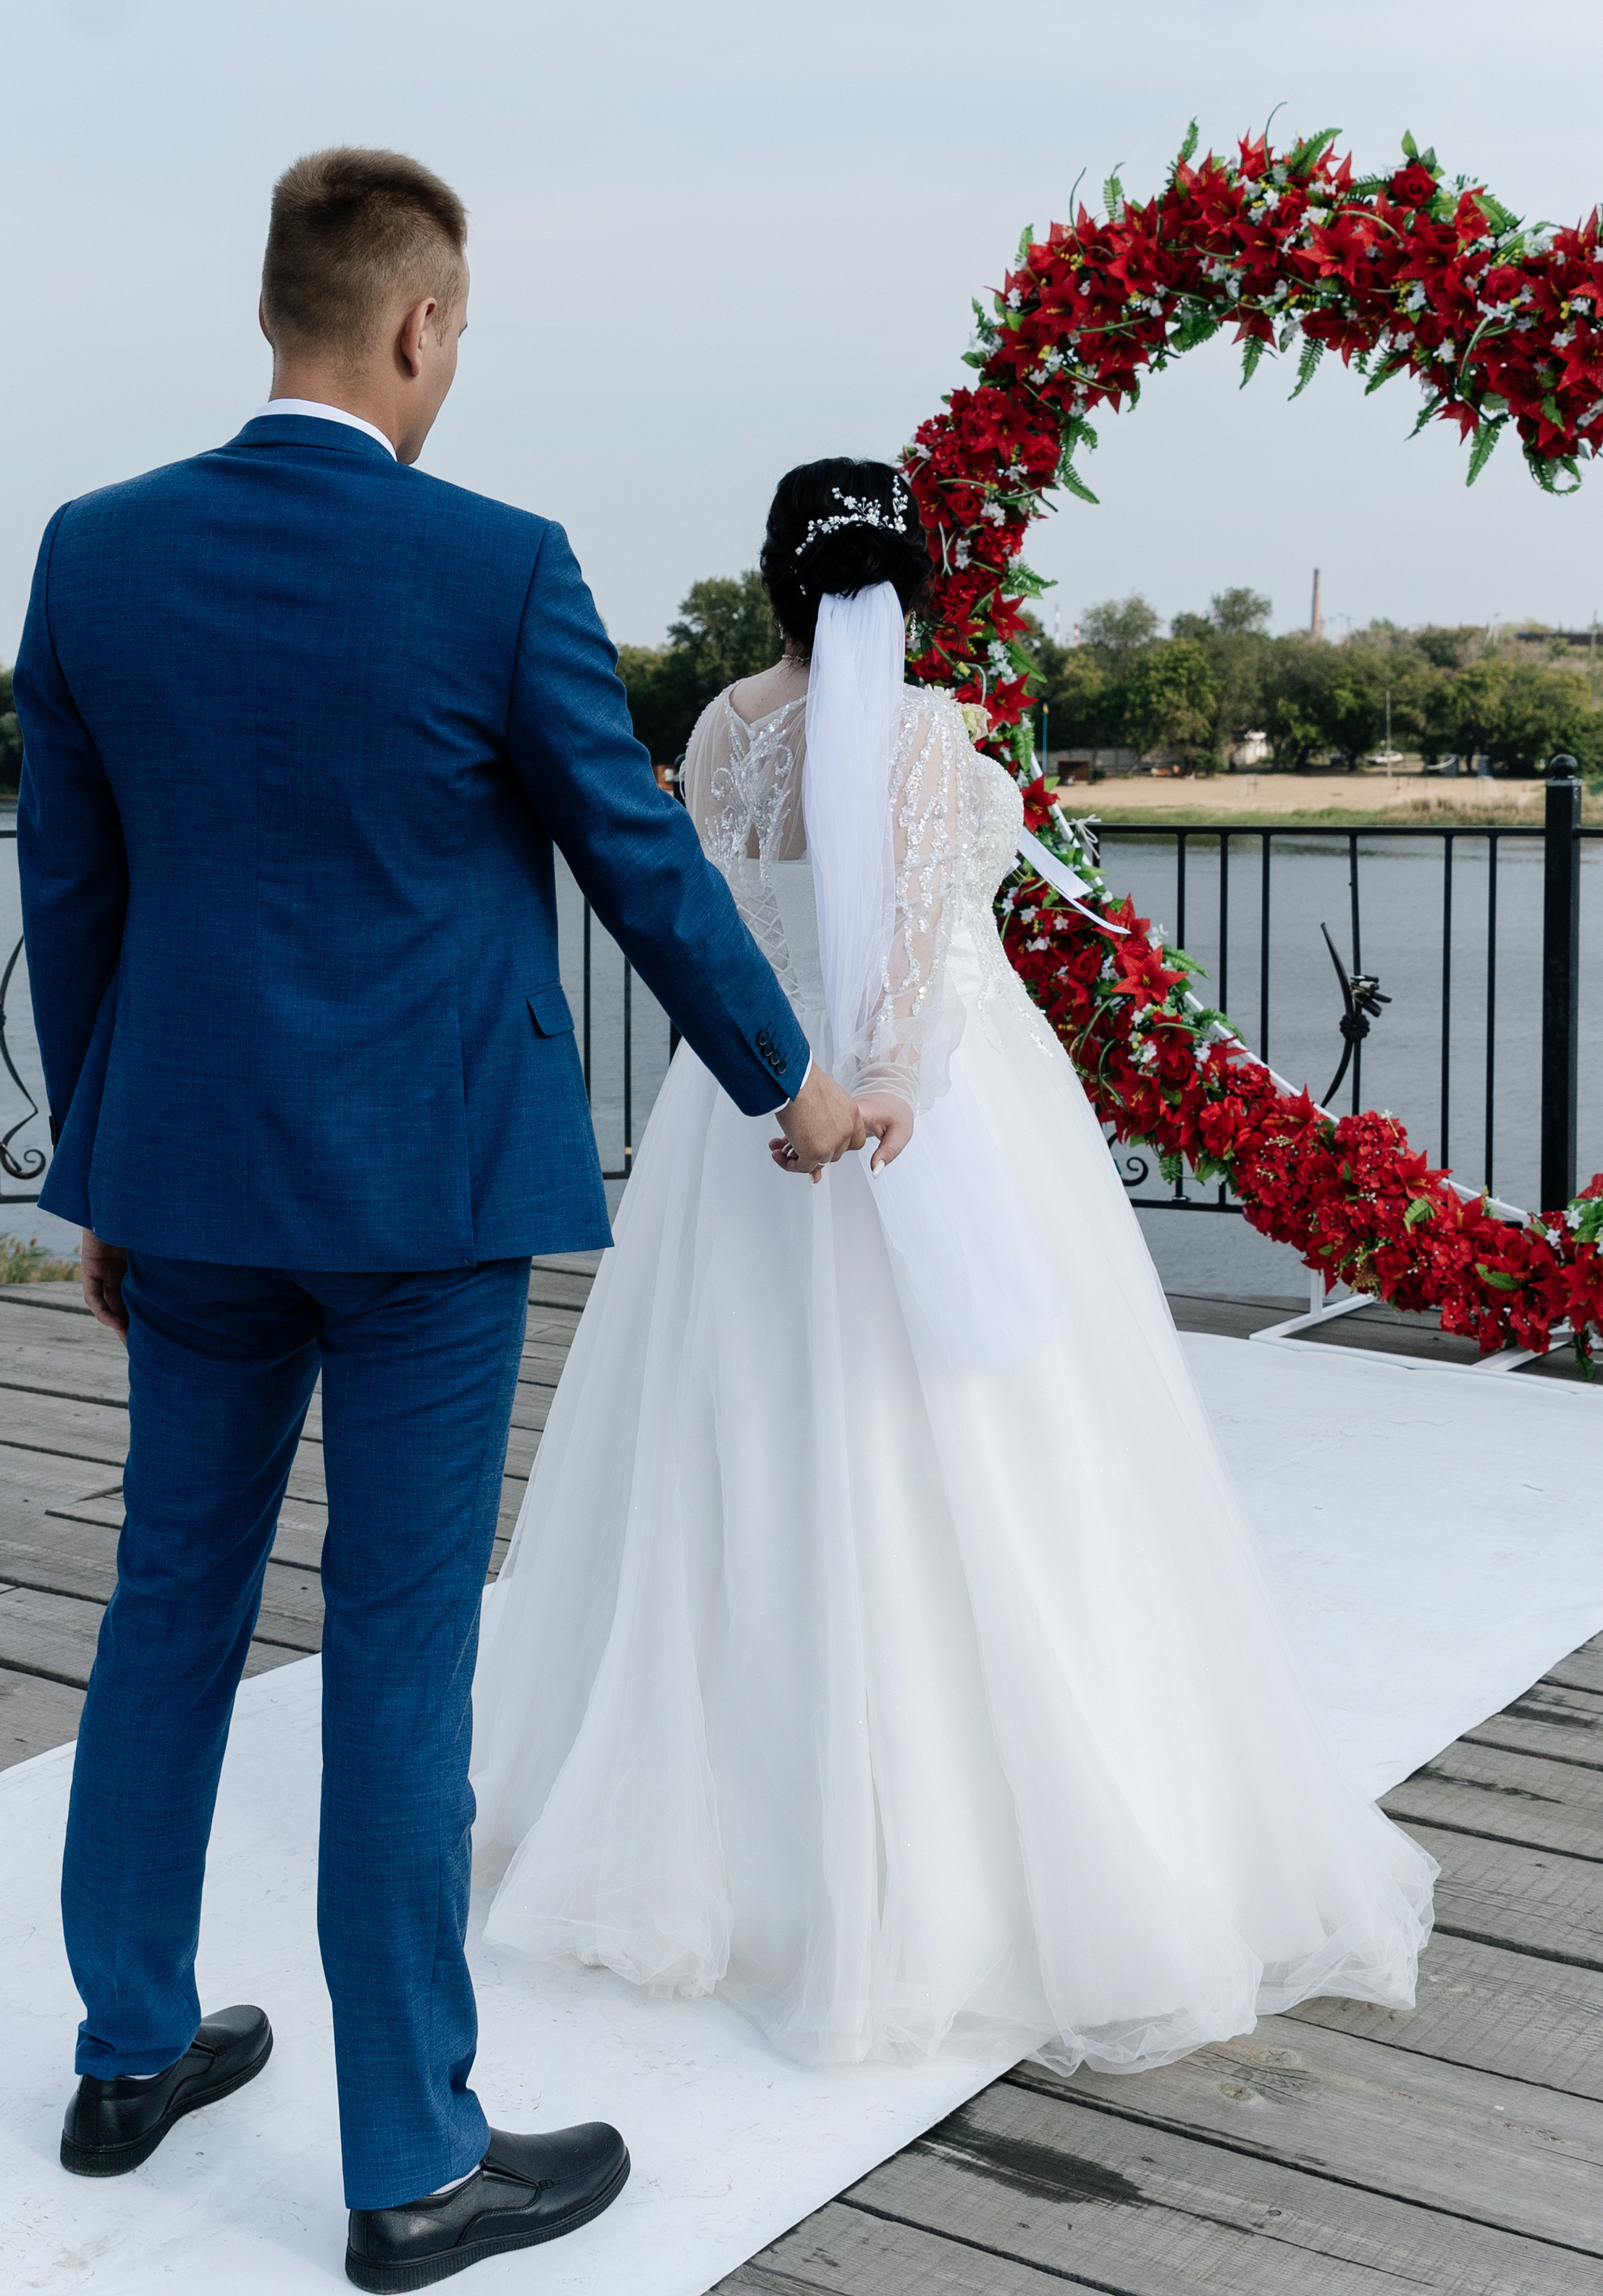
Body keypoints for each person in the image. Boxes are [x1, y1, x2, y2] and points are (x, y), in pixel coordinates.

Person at [12, 148, 870, 2291]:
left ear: (272, 310)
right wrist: (788, 1081)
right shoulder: (496, 566)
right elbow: (638, 860)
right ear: (417, 324)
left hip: (187, 1185)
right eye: (458, 328)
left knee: (167, 1601)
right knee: (397, 1649)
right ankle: (411, 2162)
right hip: (424, 1197)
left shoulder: (95, 553)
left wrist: (107, 1171)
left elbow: (75, 891)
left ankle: (129, 2051)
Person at [471, 458, 1436, 2079]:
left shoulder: (718, 726)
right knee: (984, 1444)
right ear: (912, 587)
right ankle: (977, 1848)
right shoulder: (925, 731)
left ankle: (704, 1821)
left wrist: (798, 1083)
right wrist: (894, 1090)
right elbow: (910, 953)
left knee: (729, 1433)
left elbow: (711, 916)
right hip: (919, 1112)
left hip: (744, 1110)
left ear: (773, 584)